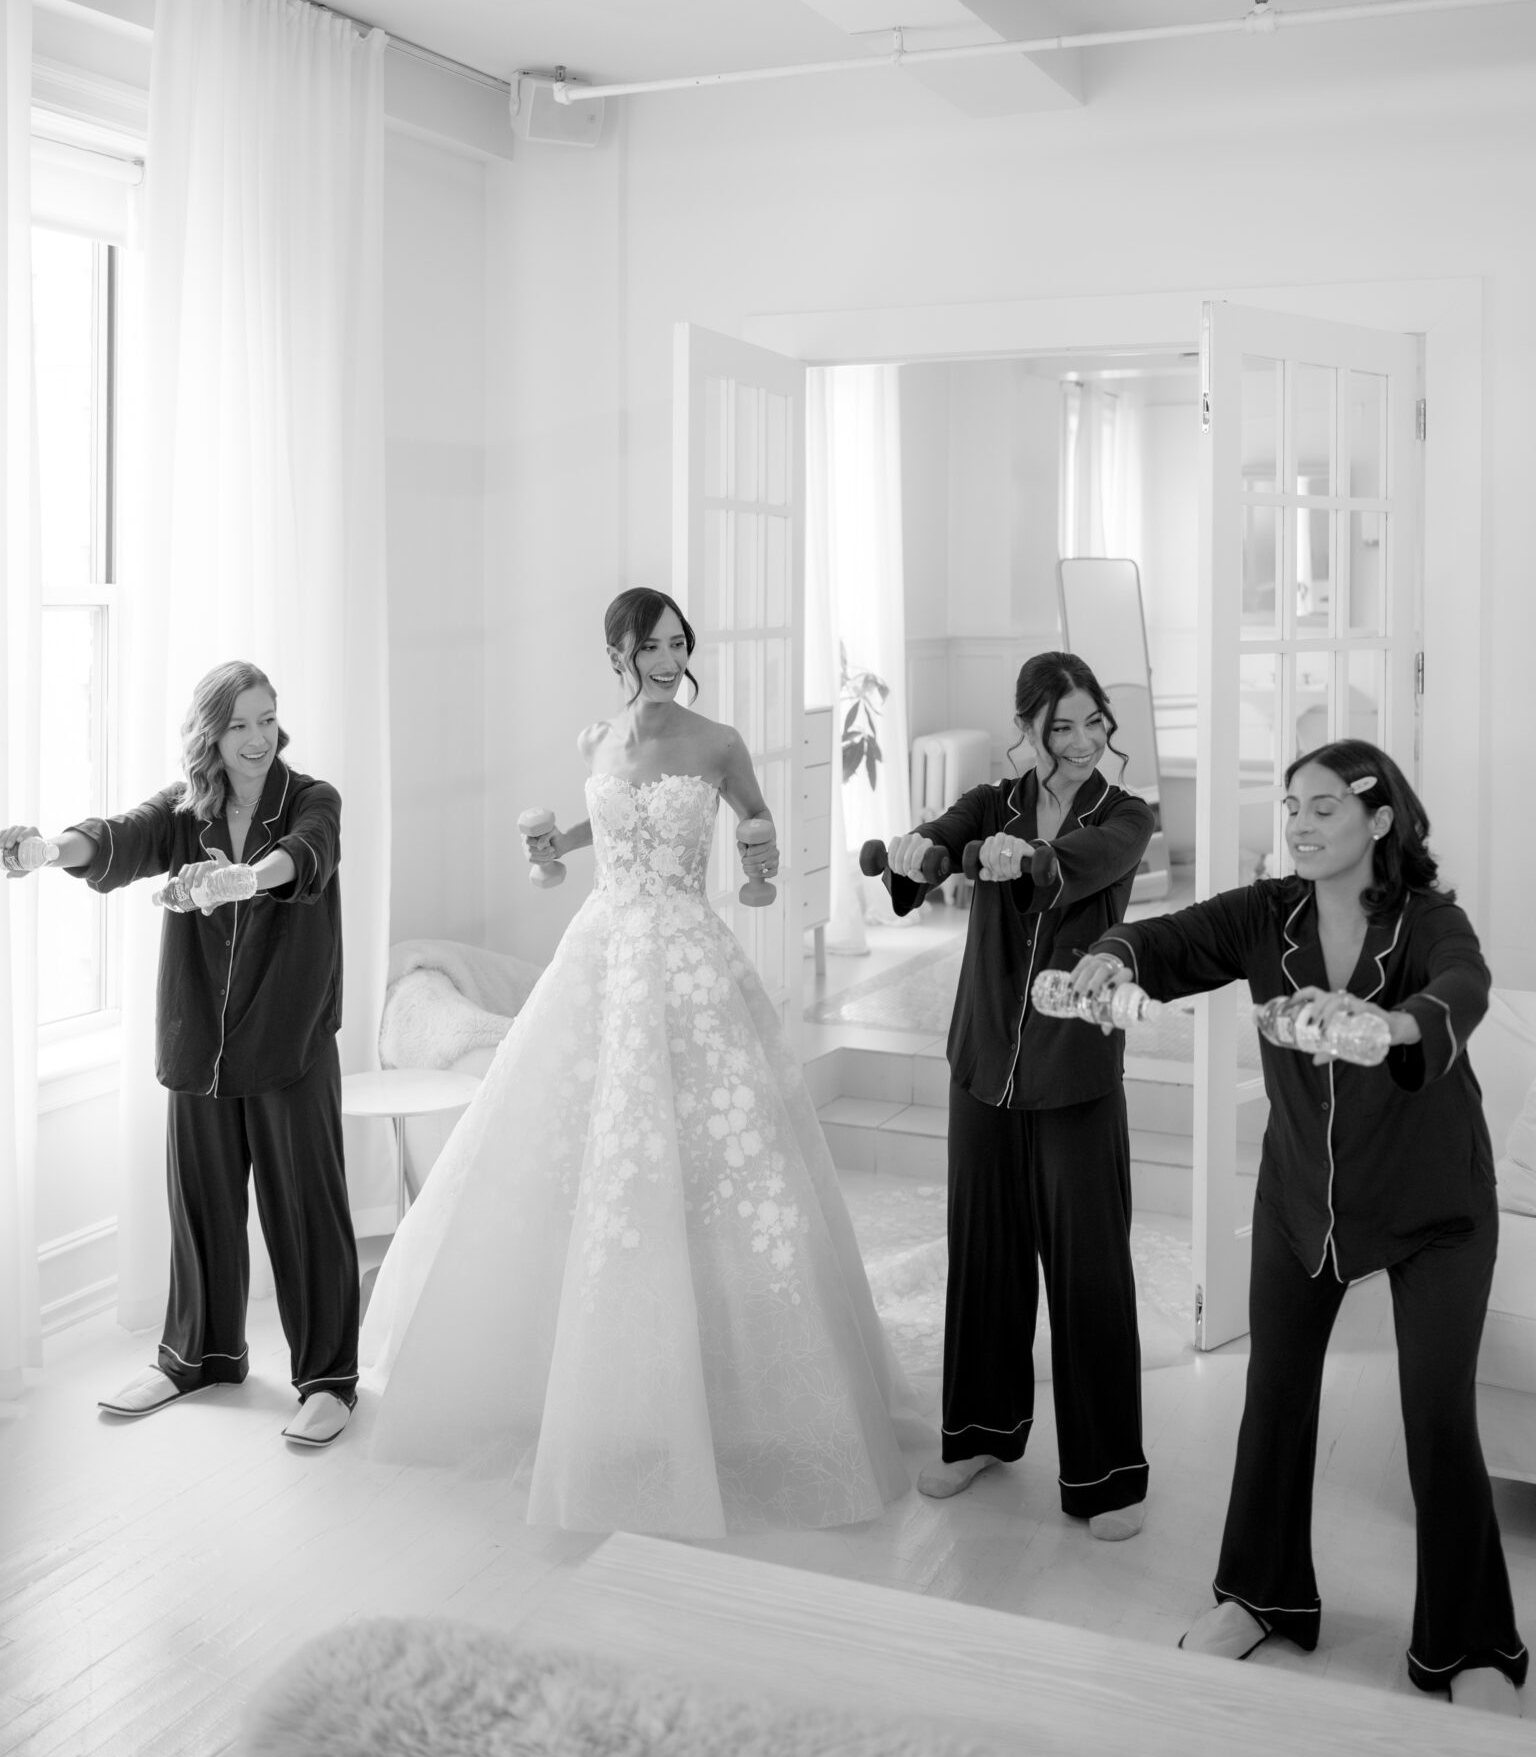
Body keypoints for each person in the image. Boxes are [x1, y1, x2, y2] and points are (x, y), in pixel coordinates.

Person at [359, 587, 915, 1535]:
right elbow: (602, 833)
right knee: (583, 1159)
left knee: (721, 1169)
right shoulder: (596, 742)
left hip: (685, 957)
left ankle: (729, 1394)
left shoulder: (718, 741)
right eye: (651, 645)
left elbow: (758, 834)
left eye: (677, 643)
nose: (668, 657)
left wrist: (761, 861)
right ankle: (590, 1391)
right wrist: (552, 845)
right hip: (602, 950)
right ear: (616, 653)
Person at [1069, 738, 1528, 1714]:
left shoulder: (1428, 920)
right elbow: (1165, 941)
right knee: (1273, 1399)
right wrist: (1112, 955)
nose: (1302, 825)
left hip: (1435, 1204)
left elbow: (1465, 985)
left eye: (1324, 807)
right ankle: (1259, 1595)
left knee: (1437, 1420)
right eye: (1291, 808)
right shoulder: (1264, 913)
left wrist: (1394, 1027)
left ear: (1379, 819)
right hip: (1300, 1203)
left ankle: (1472, 1639)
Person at [1, 661, 356, 1448]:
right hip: (200, 1039)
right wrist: (45, 851)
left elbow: (308, 854)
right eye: (240, 725)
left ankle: (328, 1380)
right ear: (211, 734)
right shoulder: (186, 809)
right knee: (200, 1206)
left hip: (287, 1037)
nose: (259, 738)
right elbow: (120, 840)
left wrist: (242, 879)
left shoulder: (311, 798)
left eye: (267, 719)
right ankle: (200, 1356)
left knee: (305, 1212)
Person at [876, 651, 1155, 1540]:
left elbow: (1068, 864)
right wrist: (919, 856)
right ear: (1026, 733)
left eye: (1093, 723)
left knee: (1089, 1273)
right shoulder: (991, 802)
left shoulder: (1129, 815)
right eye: (1059, 727)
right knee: (984, 1257)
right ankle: (979, 1435)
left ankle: (1107, 1476)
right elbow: (938, 842)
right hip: (984, 1062)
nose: (1081, 742)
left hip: (1073, 1072)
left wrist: (1025, 855)